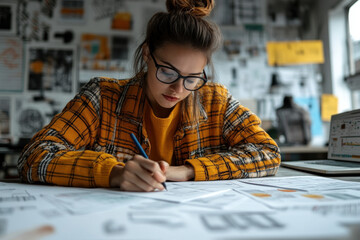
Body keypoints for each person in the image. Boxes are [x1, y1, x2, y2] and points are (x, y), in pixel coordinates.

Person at [18, 0, 280, 192]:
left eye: (192, 78)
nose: (178, 89)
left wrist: (188, 171)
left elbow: (267, 152)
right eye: (168, 72)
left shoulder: (216, 101)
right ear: (146, 55)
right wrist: (113, 173)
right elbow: (34, 157)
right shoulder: (102, 98)